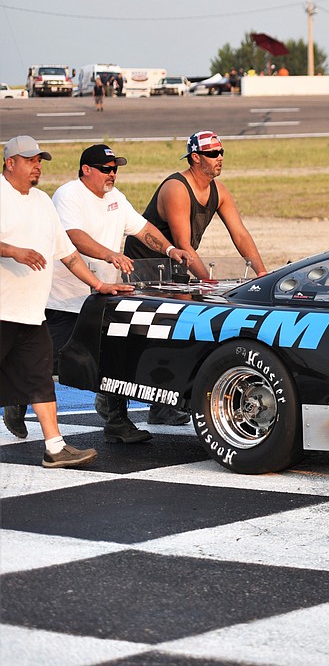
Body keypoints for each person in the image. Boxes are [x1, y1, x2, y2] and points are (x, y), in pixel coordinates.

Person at [7, 144, 194, 443]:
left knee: (113, 358)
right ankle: (17, 400)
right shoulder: (68, 195)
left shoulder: (116, 198)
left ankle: (117, 422)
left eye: (115, 169)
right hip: (65, 299)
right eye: (106, 169)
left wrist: (171, 249)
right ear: (86, 170)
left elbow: (143, 228)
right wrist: (110, 255)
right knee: (50, 362)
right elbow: (73, 236)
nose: (113, 175)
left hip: (104, 295)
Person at [1, 136, 132, 466]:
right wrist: (13, 251)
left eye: (40, 161)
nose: (37, 166)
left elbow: (69, 255)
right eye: (30, 160)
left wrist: (99, 284)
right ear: (9, 163)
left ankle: (55, 447)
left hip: (31, 314)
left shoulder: (43, 202)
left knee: (42, 379)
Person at [123, 130, 267, 425]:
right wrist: (208, 282)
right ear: (195, 158)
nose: (220, 158)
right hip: (147, 265)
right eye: (213, 154)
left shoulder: (219, 190)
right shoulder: (177, 188)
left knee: (177, 333)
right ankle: (116, 405)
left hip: (176, 265)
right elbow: (184, 244)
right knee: (148, 335)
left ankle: (161, 405)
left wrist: (262, 273)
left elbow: (239, 233)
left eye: (222, 152)